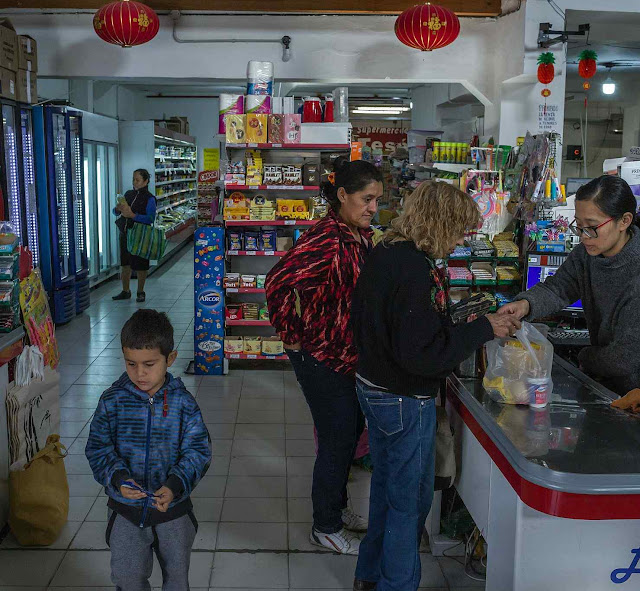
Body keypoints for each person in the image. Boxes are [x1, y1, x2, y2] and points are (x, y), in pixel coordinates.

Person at [350, 181, 521, 591]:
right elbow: (422, 355)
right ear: (441, 223)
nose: (462, 240)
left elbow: (404, 328)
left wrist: (457, 319)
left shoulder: (390, 250)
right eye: (460, 231)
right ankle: (396, 585)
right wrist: (483, 327)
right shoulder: (414, 269)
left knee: (388, 492)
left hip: (374, 385)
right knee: (409, 505)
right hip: (404, 397)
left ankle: (369, 576)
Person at [265, 159, 384, 555]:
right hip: (320, 356)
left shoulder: (358, 235)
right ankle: (325, 525)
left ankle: (336, 505)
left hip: (345, 356)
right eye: (366, 199)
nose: (372, 208)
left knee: (348, 435)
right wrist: (292, 335)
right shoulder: (328, 238)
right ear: (342, 195)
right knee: (336, 440)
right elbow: (277, 282)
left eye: (377, 201)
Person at [86, 309, 211, 591]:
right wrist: (118, 479)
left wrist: (175, 485)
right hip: (125, 512)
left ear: (170, 359)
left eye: (149, 364)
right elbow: (98, 447)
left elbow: (198, 451)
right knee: (128, 579)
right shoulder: (112, 401)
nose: (139, 373)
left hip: (174, 513)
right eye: (131, 364)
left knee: (177, 580)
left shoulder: (184, 404)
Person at [499, 175, 640, 396]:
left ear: (624, 221)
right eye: (579, 226)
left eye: (592, 227)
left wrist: (583, 356)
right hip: (609, 385)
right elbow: (560, 287)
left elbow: (625, 358)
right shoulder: (588, 253)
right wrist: (526, 304)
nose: (584, 237)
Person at [113, 169, 157, 303]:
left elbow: (150, 218)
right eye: (133, 179)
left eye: (137, 180)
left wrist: (133, 216)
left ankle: (140, 291)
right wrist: (117, 209)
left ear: (146, 181)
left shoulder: (150, 198)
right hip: (125, 233)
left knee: (141, 264)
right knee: (125, 263)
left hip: (141, 234)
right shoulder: (128, 194)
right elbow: (116, 212)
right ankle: (125, 290)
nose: (134, 182)